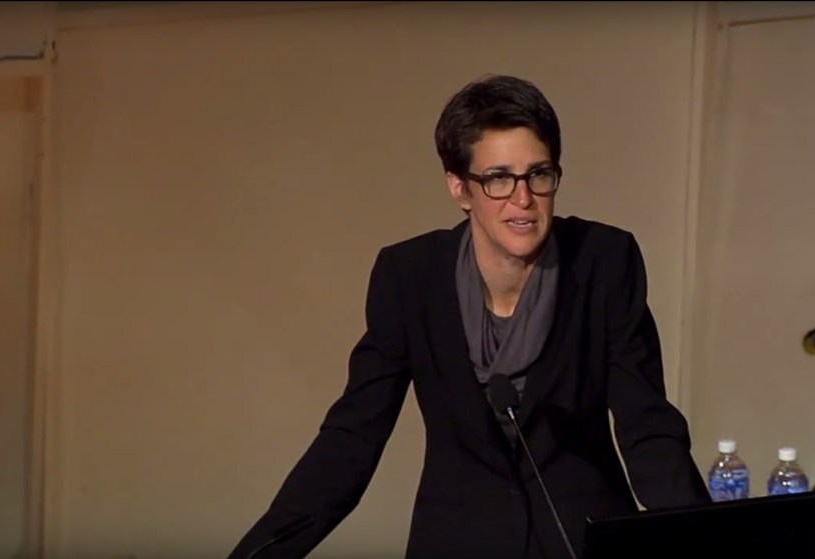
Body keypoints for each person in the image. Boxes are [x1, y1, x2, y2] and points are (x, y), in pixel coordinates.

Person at [228, 74, 710, 559]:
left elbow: (649, 430)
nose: (523, 199)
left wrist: (709, 544)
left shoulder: (603, 261)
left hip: (578, 540)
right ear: (460, 189)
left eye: (538, 174)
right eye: (498, 178)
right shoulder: (410, 277)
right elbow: (352, 438)